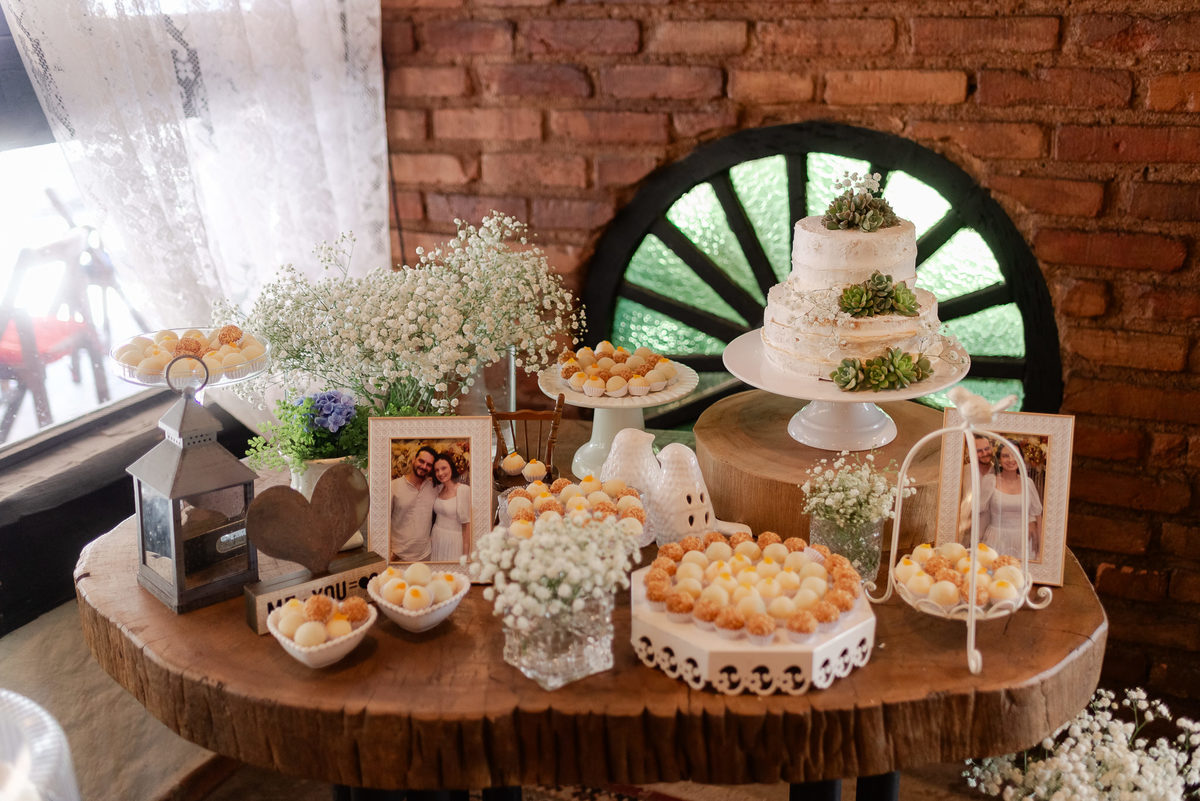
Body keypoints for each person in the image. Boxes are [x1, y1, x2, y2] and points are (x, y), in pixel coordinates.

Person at [982, 445, 1043, 559]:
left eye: (1015, 455)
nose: (1011, 460)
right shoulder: (990, 481)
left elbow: (1037, 516)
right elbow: (980, 514)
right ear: (999, 460)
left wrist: (1040, 550)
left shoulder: (1028, 483)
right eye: (1005, 456)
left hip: (1024, 541)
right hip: (995, 539)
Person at [389, 444, 438, 562]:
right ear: (413, 460)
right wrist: (389, 550)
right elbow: (382, 521)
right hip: (398, 555)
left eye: (429, 465)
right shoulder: (393, 486)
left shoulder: (434, 488)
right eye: (421, 461)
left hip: (425, 555)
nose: (424, 466)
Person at [429, 452, 471, 562]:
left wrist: (466, 555)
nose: (440, 473)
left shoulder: (463, 490)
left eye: (444, 468)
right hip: (437, 537)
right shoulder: (438, 488)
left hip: (454, 540)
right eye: (437, 470)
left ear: (451, 467)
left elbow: (467, 526)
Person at [957, 433, 997, 543]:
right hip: (963, 532)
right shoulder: (963, 471)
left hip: (989, 535)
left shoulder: (998, 473)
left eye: (987, 449)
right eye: (979, 451)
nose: (984, 453)